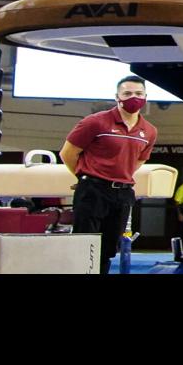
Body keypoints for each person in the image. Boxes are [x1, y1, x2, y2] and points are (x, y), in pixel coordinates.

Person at [59, 77, 158, 275]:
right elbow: (67, 153)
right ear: (117, 97)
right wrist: (84, 176)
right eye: (127, 94)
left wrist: (120, 174)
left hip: (122, 193)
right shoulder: (95, 122)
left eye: (138, 94)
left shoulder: (149, 131)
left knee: (107, 249)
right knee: (84, 245)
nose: (133, 98)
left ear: (145, 97)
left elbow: (139, 160)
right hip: (93, 190)